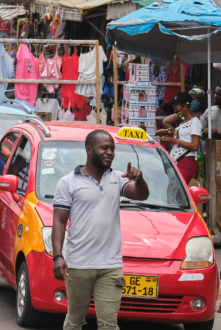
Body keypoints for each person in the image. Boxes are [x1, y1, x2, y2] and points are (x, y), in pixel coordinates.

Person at [51, 130, 149, 330]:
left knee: (109, 325)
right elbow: (59, 221)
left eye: (112, 148)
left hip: (110, 266)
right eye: (104, 148)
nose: (110, 152)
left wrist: (139, 180)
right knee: (75, 320)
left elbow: (140, 195)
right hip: (78, 265)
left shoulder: (117, 178)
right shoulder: (68, 182)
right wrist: (58, 256)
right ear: (89, 149)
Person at [157, 91, 202, 184]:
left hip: (186, 162)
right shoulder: (182, 122)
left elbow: (195, 146)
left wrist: (174, 140)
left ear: (185, 106)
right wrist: (168, 137)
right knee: (173, 192)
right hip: (178, 161)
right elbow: (167, 122)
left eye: (176, 108)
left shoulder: (195, 122)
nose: (175, 111)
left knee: (177, 193)